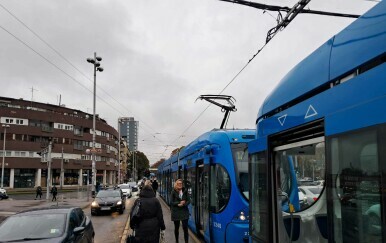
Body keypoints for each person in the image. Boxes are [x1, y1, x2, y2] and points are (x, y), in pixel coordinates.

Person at [170, 179, 190, 243]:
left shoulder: (185, 191)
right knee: (176, 228)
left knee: (185, 228)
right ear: (176, 184)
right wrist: (178, 203)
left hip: (184, 211)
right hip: (176, 212)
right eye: (178, 183)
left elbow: (189, 200)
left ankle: (186, 242)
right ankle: (177, 241)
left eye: (181, 183)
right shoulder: (173, 191)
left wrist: (184, 204)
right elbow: (171, 202)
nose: (180, 184)